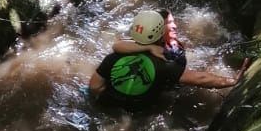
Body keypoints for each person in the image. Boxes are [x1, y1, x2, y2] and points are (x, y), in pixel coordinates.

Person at [88, 8, 244, 107]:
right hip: (142, 109)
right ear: (161, 34)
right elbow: (200, 78)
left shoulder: (113, 57)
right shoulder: (166, 64)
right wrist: (232, 81)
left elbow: (94, 86)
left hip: (107, 103)